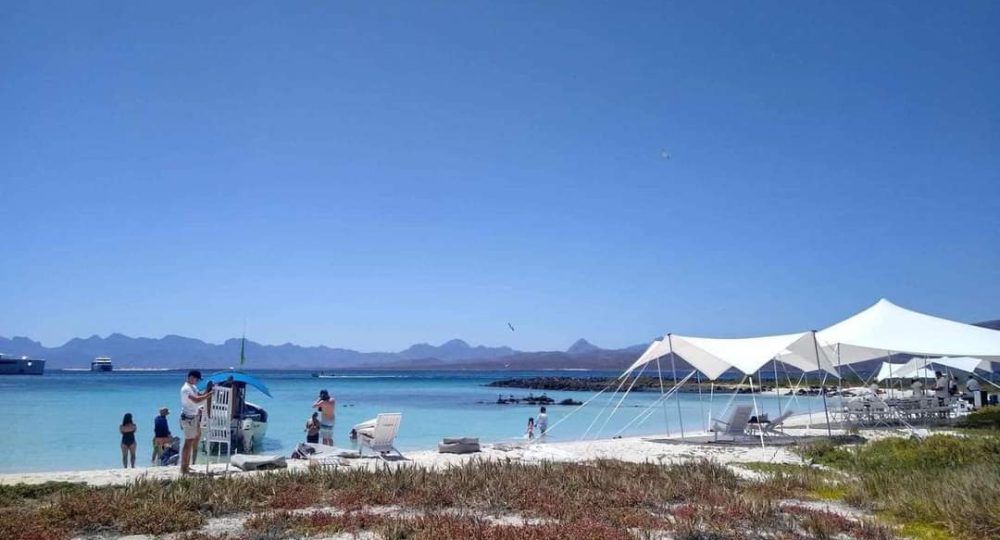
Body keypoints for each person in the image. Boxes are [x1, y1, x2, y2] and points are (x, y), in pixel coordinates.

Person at [179, 370, 212, 475]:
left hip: (194, 417)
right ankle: (183, 467)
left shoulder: (193, 387)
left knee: (192, 440)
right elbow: (196, 400)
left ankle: (187, 465)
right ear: (190, 377)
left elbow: (200, 395)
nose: (197, 381)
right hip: (188, 418)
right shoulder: (186, 389)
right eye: (196, 379)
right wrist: (209, 395)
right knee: (188, 442)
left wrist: (208, 390)